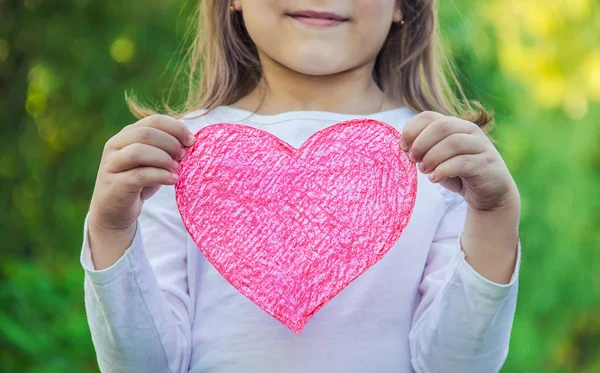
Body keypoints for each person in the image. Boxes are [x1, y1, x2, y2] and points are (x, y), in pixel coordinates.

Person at [81, 1, 521, 372]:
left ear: (405, 5)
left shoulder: (444, 160)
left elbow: (458, 365)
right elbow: (146, 365)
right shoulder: (177, 156)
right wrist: (111, 231)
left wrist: (495, 218)